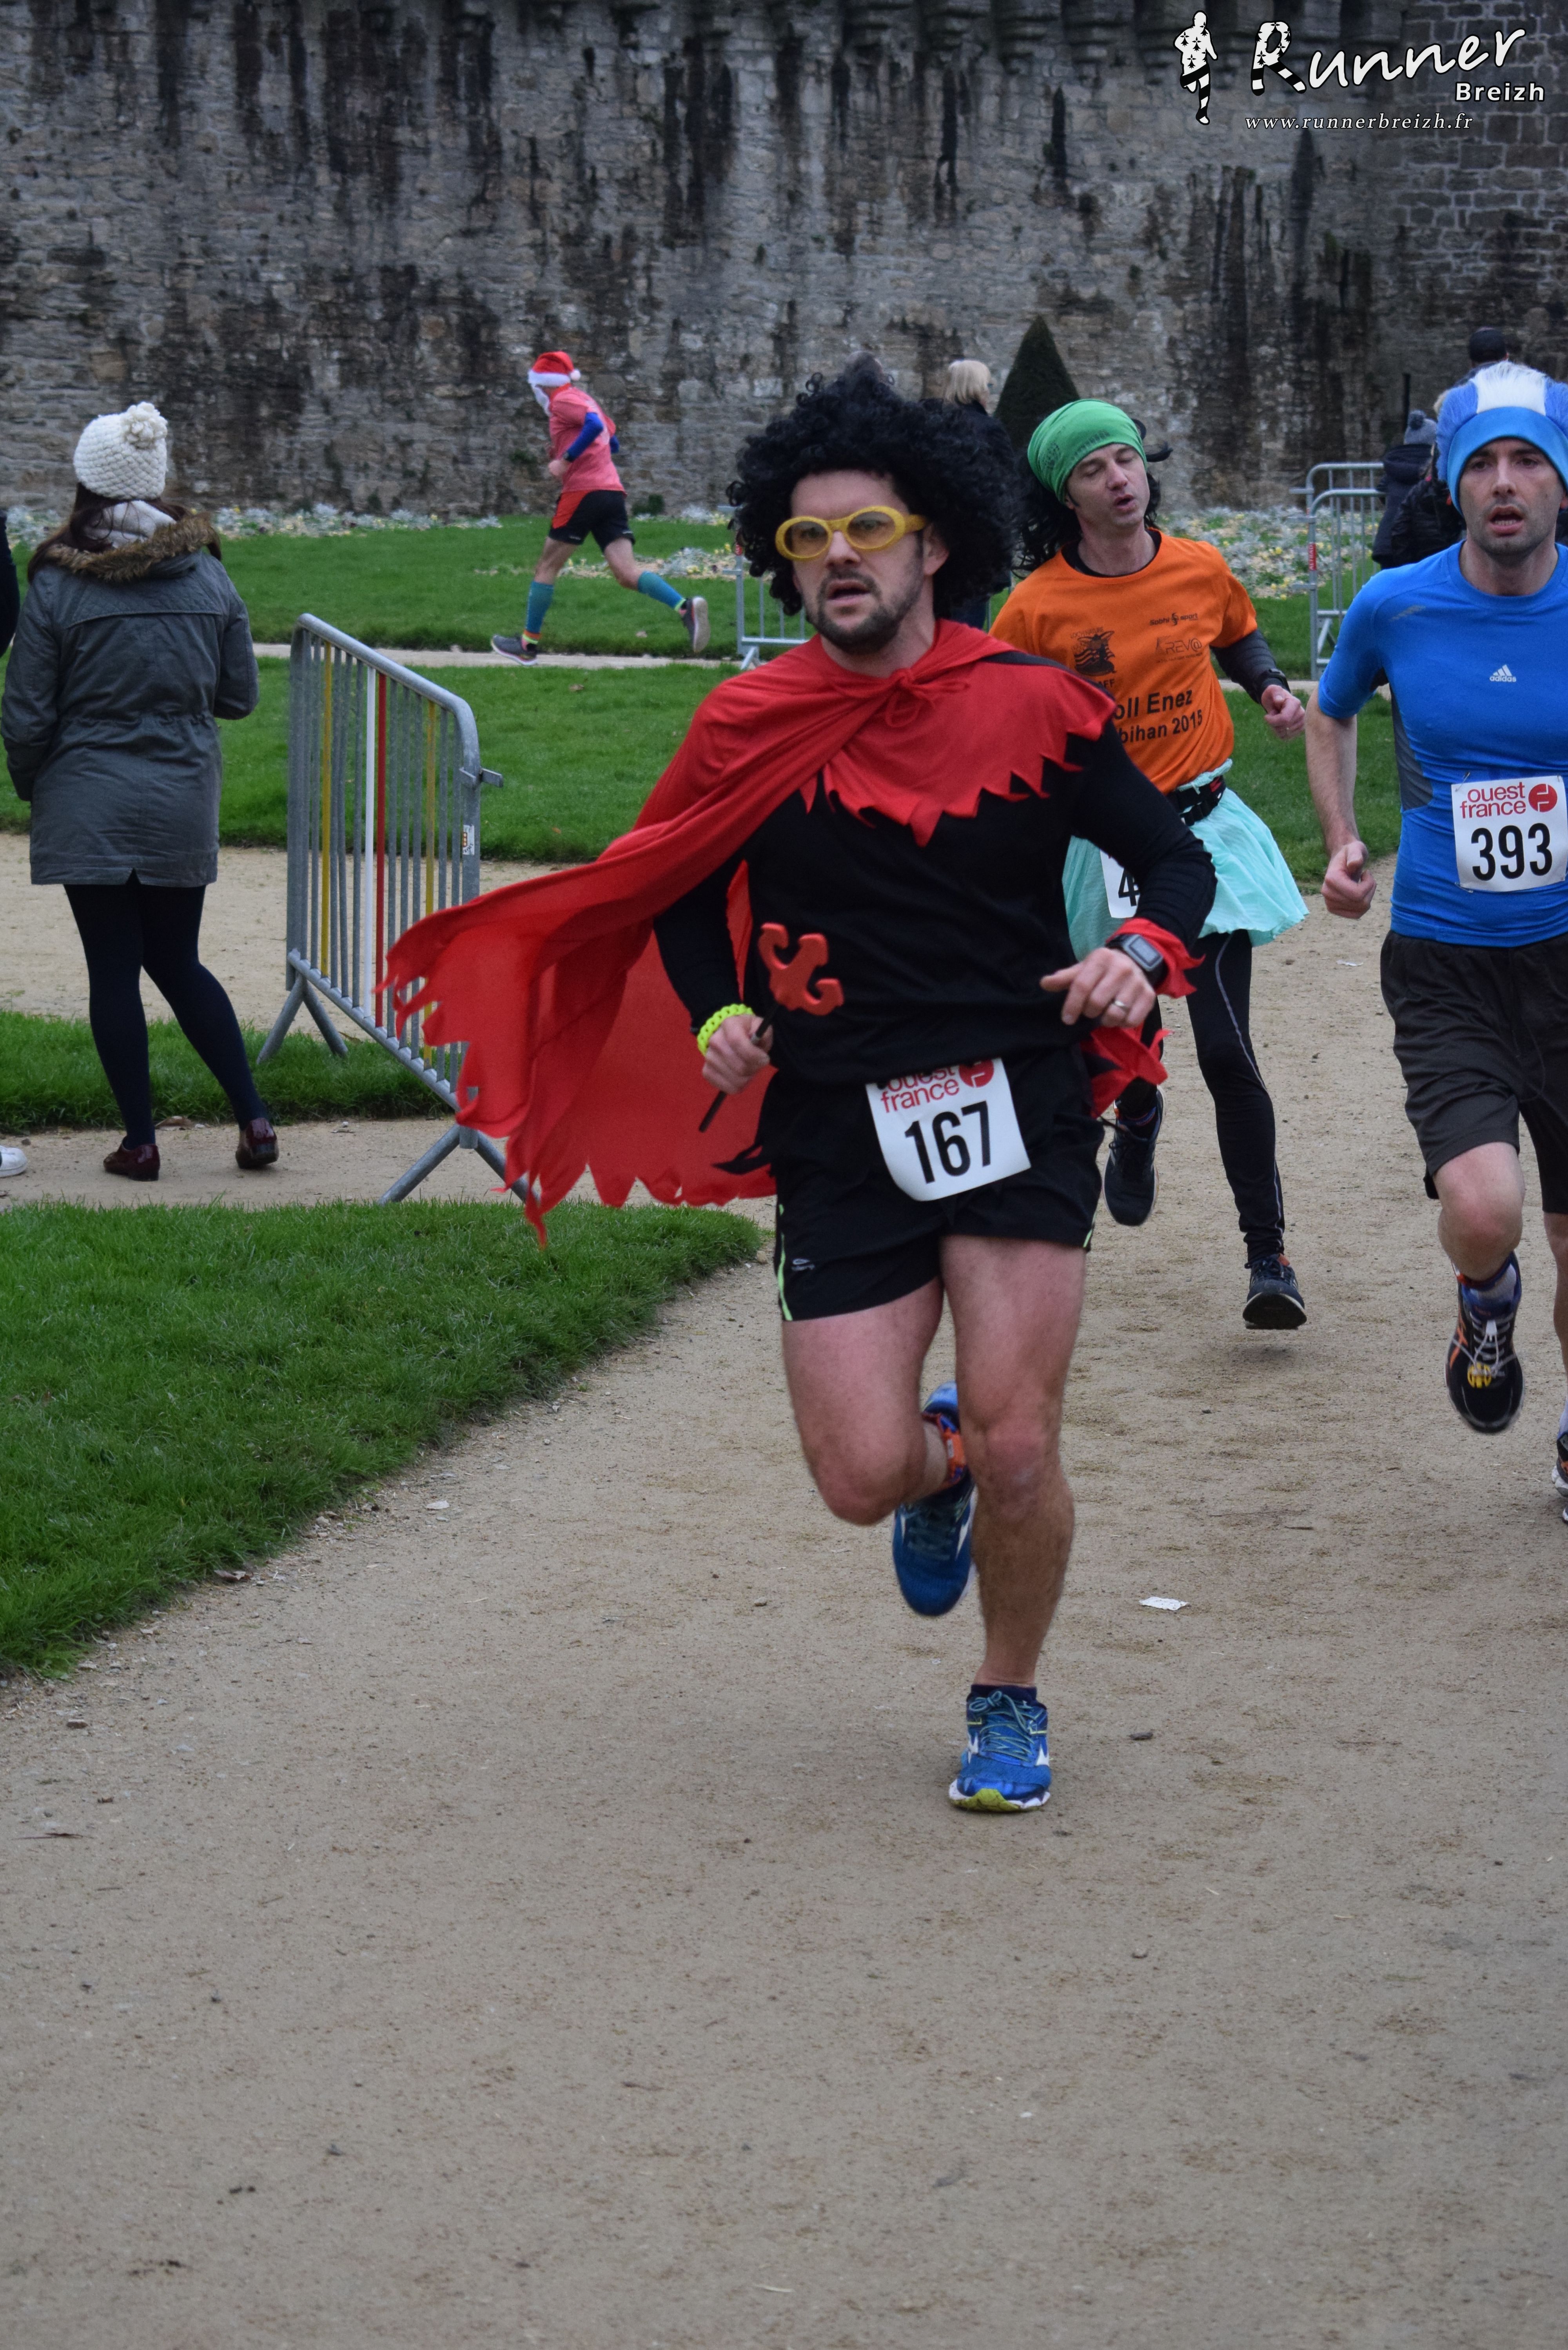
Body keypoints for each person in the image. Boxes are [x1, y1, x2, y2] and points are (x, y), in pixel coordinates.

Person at [387, 366, 1216, 1815]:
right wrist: (721, 1009)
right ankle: (937, 1470)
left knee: (1025, 1439)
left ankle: (1006, 1693)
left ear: (933, 544)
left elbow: (1175, 858)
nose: (836, 557)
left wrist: (1140, 952)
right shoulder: (747, 721)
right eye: (806, 537)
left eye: (866, 530)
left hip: (1017, 1095)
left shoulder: (1035, 705)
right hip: (837, 1115)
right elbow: (677, 884)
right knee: (856, 1473)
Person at [1305, 361, 1568, 1493]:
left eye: (1527, 462)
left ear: (1561, 485)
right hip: (1447, 959)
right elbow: (1328, 712)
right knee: (1484, 1206)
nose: (1503, 483)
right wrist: (1341, 838)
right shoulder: (1396, 604)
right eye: (1482, 465)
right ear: (1453, 485)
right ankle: (1484, 1301)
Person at [991, 400, 1310, 1328]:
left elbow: (1236, 630)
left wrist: (1267, 686)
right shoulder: (1035, 608)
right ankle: (1135, 1118)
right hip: (1097, 852)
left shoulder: (1197, 565)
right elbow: (1001, 717)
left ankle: (1268, 1255)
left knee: (1226, 1049)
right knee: (1115, 1041)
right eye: (1092, 469)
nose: (1118, 479)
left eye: (1125, 459)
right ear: (1067, 496)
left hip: (1203, 835)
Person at [1, 401, 276, 1182]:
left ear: (86, 481)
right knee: (179, 961)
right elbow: (239, 697)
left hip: (85, 789)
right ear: (156, 481)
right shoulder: (210, 575)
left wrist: (34, 784)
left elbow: (26, 714)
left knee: (114, 968)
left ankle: (141, 1143)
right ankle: (255, 1118)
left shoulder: (57, 585)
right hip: (182, 789)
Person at [491, 351, 710, 664]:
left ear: (543, 383)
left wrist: (566, 460)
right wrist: (569, 450)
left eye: (536, 386)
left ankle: (527, 646)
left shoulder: (562, 400)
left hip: (583, 492)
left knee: (546, 567)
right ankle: (685, 609)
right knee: (627, 573)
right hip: (611, 492)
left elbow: (594, 426)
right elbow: (611, 441)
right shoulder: (585, 399)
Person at [936, 361, 1016, 630]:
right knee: (966, 629)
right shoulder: (988, 430)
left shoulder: (935, 425)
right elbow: (1006, 484)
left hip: (939, 537)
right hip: (977, 539)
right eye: (988, 385)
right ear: (977, 388)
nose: (989, 392)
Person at [1372, 409, 1438, 566]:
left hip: (1389, 540)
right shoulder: (1435, 467)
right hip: (1423, 541)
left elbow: (1382, 490)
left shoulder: (1395, 464)